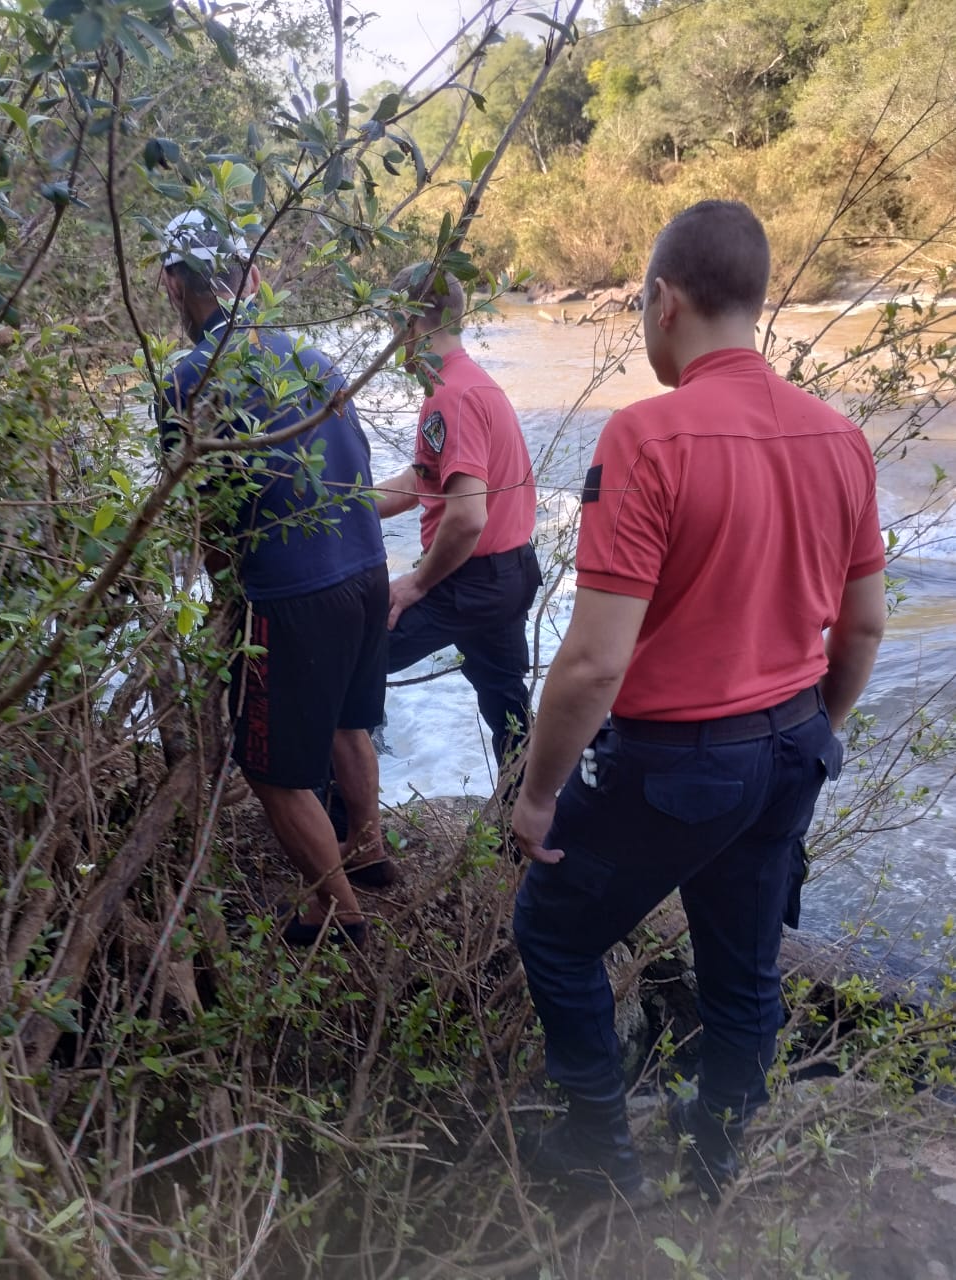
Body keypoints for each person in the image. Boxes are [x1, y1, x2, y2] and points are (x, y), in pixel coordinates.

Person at [510, 200, 887, 1197]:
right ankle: (715, 1143)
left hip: (679, 760)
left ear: (662, 301)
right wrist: (809, 735)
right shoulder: (842, 439)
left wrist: (540, 793)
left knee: (552, 930)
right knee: (744, 964)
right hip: (794, 743)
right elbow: (862, 628)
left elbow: (593, 662)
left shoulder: (646, 437)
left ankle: (601, 1156)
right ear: (756, 304)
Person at [157, 209, 388, 947]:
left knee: (274, 771)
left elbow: (208, 519)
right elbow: (356, 468)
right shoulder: (312, 357)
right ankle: (370, 851)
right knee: (347, 724)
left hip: (293, 598)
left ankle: (339, 911)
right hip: (367, 568)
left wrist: (229, 594)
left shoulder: (190, 380)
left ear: (173, 286)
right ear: (251, 276)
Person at [374, 264, 542, 789]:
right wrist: (343, 506)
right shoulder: (473, 385)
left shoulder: (451, 397)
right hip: (509, 575)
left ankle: (347, 820)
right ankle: (527, 834)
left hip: (471, 582)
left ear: (409, 323)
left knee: (354, 660)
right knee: (508, 709)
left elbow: (467, 517)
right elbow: (424, 480)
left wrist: (416, 583)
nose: (392, 343)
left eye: (392, 326)